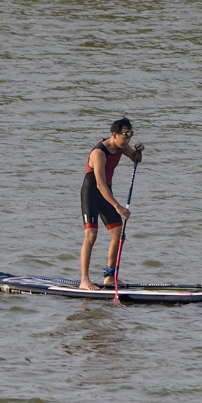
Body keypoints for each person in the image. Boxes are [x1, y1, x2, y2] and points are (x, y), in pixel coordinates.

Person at [78, 118, 144, 291]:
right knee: (91, 235)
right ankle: (84, 280)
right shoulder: (99, 153)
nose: (128, 139)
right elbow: (100, 184)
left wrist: (139, 152)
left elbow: (135, 158)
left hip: (106, 193)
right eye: (125, 135)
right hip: (91, 192)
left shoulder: (122, 146)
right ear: (114, 135)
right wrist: (118, 206)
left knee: (117, 233)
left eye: (130, 135)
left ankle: (110, 276)